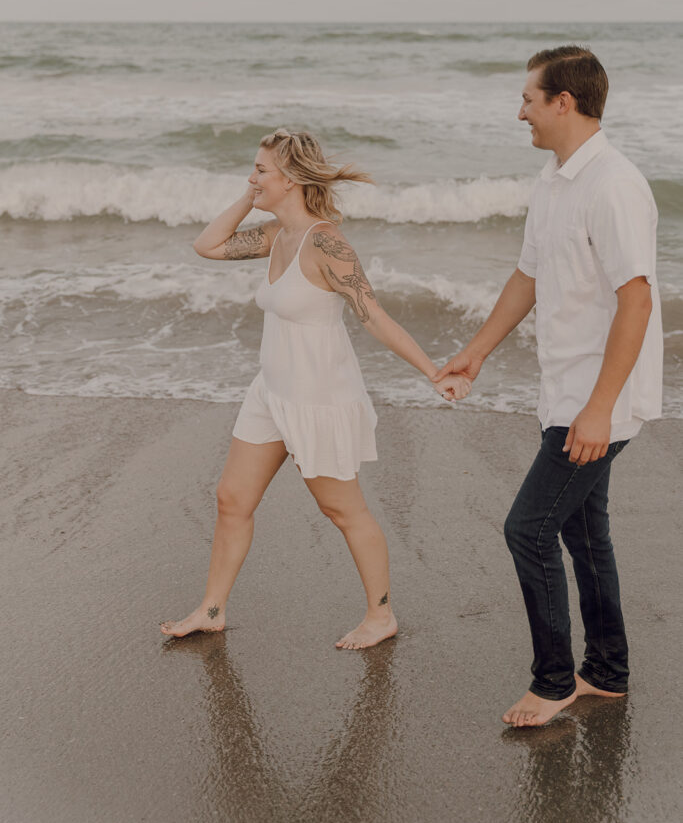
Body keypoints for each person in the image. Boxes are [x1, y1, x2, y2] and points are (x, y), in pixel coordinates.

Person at [161, 129, 469, 649]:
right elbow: (206, 245)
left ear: (293, 179)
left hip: (317, 398)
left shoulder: (326, 243)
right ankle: (211, 609)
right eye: (253, 169)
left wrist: (433, 371)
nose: (252, 176)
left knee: (343, 510)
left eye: (261, 170)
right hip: (271, 392)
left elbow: (373, 316)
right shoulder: (272, 236)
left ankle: (381, 615)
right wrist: (250, 195)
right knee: (231, 498)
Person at [435, 46, 663, 726]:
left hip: (598, 401)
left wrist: (597, 410)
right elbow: (527, 276)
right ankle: (606, 671)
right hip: (564, 389)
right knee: (582, 533)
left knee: (527, 530)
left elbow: (637, 300)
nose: (520, 112)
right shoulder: (554, 177)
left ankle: (553, 680)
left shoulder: (613, 185)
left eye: (529, 100)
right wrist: (474, 354)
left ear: (563, 101)